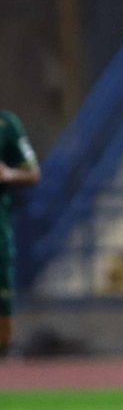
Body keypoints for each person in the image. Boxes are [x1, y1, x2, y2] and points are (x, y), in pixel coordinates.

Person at [0, 111, 40, 355]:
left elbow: (33, 173)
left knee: (4, 289)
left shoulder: (7, 125)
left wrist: (8, 174)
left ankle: (5, 346)